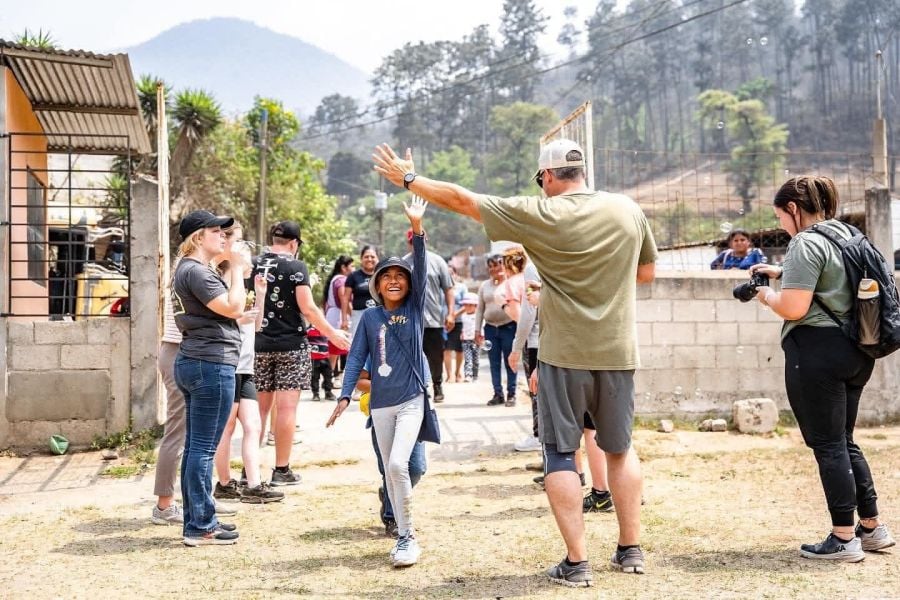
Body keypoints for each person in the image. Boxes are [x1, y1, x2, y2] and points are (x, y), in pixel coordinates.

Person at [373, 139, 657, 586]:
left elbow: (463, 199)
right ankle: (630, 550)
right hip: (619, 351)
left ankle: (578, 562)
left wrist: (409, 179)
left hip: (564, 355)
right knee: (620, 450)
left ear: (546, 176)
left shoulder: (539, 214)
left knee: (562, 453)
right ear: (582, 171)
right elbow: (645, 274)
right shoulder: (626, 209)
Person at [751, 176, 895, 561]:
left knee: (829, 444)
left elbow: (795, 308)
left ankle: (843, 538)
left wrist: (765, 295)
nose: (781, 224)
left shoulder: (804, 242)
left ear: (793, 209)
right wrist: (781, 274)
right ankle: (871, 528)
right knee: (844, 440)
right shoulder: (847, 234)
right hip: (857, 350)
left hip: (816, 352)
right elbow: (834, 282)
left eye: (781, 216)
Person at [327, 196, 430, 568]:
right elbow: (355, 357)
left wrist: (417, 229)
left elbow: (420, 267)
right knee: (391, 469)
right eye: (386, 276)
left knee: (402, 466)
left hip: (412, 399)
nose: (393, 280)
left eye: (399, 276)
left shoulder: (415, 309)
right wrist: (343, 395)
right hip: (381, 404)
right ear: (375, 284)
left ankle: (407, 537)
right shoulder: (369, 319)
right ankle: (398, 524)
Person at [252, 221, 350, 486]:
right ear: (294, 244)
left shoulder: (253, 264)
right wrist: (333, 334)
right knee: (286, 408)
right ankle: (281, 469)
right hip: (291, 345)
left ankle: (249, 470)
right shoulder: (296, 267)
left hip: (257, 344)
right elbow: (307, 308)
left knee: (258, 411)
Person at [171, 209, 247, 546]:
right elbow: (233, 308)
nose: (225, 237)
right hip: (210, 363)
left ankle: (198, 519)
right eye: (218, 231)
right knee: (203, 449)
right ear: (198, 237)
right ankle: (201, 526)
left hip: (198, 360)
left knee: (195, 448)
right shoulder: (197, 272)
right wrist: (239, 271)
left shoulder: (191, 270)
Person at [212, 222, 285, 505]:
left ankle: (254, 484)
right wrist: (237, 317)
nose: (247, 253)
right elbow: (224, 320)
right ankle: (225, 483)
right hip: (229, 365)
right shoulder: (220, 284)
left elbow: (254, 327)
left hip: (246, 368)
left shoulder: (242, 287)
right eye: (241, 244)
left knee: (254, 426)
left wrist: (262, 294)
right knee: (227, 428)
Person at [356, 362, 428, 537]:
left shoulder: (416, 348)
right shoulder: (376, 347)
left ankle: (388, 494)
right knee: (390, 469)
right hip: (383, 416)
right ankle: (392, 517)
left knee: (417, 469)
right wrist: (390, 387)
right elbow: (359, 381)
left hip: (412, 416)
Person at [403, 228, 454, 402]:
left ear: (426, 240)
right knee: (413, 356)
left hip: (434, 320)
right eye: (412, 241)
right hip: (411, 320)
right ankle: (417, 389)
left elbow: (448, 288)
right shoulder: (404, 263)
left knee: (435, 356)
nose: (416, 244)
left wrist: (451, 313)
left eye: (420, 240)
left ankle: (437, 385)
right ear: (409, 243)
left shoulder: (438, 261)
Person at [150, 282, 187, 525]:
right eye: (226, 239)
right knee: (177, 432)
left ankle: (198, 498)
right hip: (179, 351)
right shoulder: (191, 270)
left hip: (183, 352)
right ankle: (164, 505)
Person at [475, 255, 517, 406]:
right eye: (491, 266)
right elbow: (480, 309)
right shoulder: (484, 286)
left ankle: (511, 394)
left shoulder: (511, 284)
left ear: (504, 265)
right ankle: (497, 393)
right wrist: (477, 330)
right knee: (494, 363)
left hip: (509, 327)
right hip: (491, 328)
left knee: (510, 361)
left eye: (497, 265)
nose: (494, 269)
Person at [324, 255, 353, 376]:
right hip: (339, 317)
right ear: (343, 267)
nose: (354, 268)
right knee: (336, 350)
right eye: (352, 265)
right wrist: (350, 316)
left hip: (332, 315)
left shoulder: (334, 279)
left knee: (334, 351)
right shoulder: (342, 280)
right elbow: (344, 299)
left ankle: (329, 379)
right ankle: (331, 379)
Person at [342, 246, 379, 342]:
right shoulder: (353, 276)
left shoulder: (382, 276)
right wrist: (344, 319)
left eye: (372, 256)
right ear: (361, 259)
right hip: (358, 316)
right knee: (357, 345)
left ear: (377, 258)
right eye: (366, 257)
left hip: (379, 316)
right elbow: (345, 298)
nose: (369, 259)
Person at [444, 266, 467, 383]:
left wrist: (453, 315)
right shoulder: (441, 288)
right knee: (446, 349)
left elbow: (466, 304)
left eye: (451, 273)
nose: (449, 276)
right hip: (444, 323)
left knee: (459, 349)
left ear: (455, 274)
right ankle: (449, 375)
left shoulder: (461, 287)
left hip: (458, 322)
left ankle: (458, 373)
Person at [307, 325, 335, 401]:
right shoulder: (309, 330)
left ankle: (328, 392)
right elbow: (306, 335)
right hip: (314, 358)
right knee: (314, 377)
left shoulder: (325, 329)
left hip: (325, 357)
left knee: (328, 376)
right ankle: (315, 393)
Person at [459, 293, 480, 382]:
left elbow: (481, 327)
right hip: (466, 341)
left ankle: (475, 375)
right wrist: (461, 334)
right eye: (466, 305)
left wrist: (481, 337)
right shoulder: (462, 316)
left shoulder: (478, 316)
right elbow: (461, 327)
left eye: (471, 305)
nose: (468, 307)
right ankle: (468, 375)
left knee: (476, 360)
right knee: (468, 359)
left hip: (476, 340)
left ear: (475, 306)